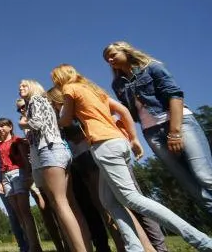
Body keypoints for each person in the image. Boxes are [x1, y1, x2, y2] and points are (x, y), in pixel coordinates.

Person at [51, 63, 212, 252]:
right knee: (109, 201)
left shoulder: (69, 88)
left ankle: (201, 240)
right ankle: (134, 248)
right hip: (119, 142)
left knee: (131, 198)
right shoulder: (93, 90)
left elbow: (66, 120)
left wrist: (56, 118)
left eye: (55, 79)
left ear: (61, 78)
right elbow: (123, 111)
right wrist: (134, 138)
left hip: (104, 145)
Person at [47, 87, 165, 252]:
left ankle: (149, 247)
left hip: (93, 155)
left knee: (116, 204)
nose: (51, 105)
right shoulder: (65, 113)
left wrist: (61, 125)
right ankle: (128, 245)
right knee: (106, 206)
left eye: (51, 101)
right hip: (82, 159)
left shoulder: (73, 111)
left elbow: (80, 132)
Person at [103, 41, 212, 215]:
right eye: (106, 59)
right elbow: (127, 111)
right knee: (191, 186)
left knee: (204, 176)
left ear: (126, 51)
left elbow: (175, 96)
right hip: (152, 133)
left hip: (179, 123)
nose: (109, 60)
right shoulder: (118, 84)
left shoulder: (152, 67)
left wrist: (175, 133)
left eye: (112, 54)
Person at [18, 80, 92, 252]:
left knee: (59, 203)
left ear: (34, 87)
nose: (20, 89)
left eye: (24, 85)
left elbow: (37, 123)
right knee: (70, 203)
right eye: (19, 87)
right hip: (61, 150)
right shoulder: (45, 102)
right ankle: (86, 247)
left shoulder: (35, 101)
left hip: (49, 151)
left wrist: (23, 123)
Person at [15, 100, 68, 252]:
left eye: (23, 106)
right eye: (19, 109)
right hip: (37, 166)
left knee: (58, 203)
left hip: (51, 157)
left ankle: (69, 243)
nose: (22, 110)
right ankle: (59, 246)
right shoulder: (24, 121)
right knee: (45, 209)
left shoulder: (40, 112)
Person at [0, 118, 42, 252]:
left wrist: (28, 175)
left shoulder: (17, 141)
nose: (0, 129)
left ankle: (35, 246)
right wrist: (0, 181)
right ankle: (29, 244)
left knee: (25, 211)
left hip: (17, 173)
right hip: (6, 177)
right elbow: (1, 164)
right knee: (18, 213)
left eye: (3, 126)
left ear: (10, 127)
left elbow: (24, 159)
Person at [0, 121, 29, 252]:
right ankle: (22, 245)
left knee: (23, 210)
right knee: (12, 214)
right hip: (2, 182)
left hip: (17, 175)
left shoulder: (12, 140)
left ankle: (31, 241)